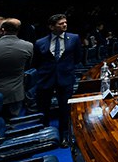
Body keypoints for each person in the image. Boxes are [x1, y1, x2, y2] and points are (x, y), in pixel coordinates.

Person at [34, 13, 82, 147]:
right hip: (46, 78)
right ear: (51, 27)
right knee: (44, 107)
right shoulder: (40, 42)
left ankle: (64, 134)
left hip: (65, 78)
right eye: (61, 23)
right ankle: (44, 134)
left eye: (65, 22)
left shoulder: (74, 38)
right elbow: (36, 62)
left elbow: (78, 57)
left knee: (64, 108)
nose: (64, 25)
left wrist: (67, 69)